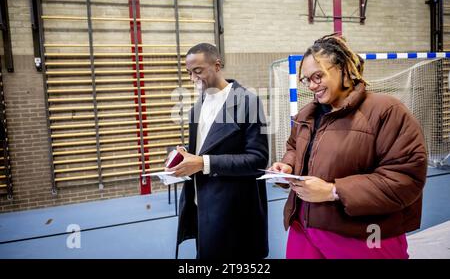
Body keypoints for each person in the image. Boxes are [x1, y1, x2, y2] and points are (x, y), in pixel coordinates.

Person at [269, 34, 427, 259]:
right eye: (306, 80)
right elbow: (295, 147)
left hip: (364, 233)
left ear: (343, 68)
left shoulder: (386, 111)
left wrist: (333, 191)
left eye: (318, 76)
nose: (312, 86)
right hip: (304, 226)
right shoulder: (307, 114)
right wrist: (287, 166)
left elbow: (405, 178)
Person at [168, 43, 269, 259]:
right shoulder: (197, 107)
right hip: (201, 205)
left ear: (217, 65)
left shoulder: (248, 101)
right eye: (189, 73)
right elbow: (206, 148)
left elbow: (258, 161)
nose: (193, 78)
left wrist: (203, 162)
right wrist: (184, 157)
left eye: (198, 71)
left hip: (234, 212)